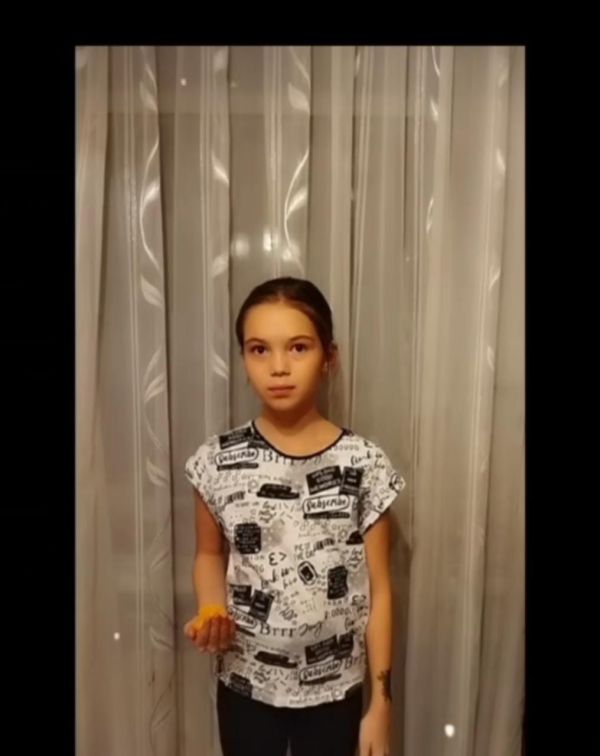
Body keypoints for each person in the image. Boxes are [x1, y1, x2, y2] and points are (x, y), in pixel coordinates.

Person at [184, 276, 405, 756]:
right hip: (245, 684)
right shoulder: (216, 461)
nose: (278, 367)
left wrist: (381, 706)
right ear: (243, 358)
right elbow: (208, 554)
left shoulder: (364, 464)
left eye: (298, 347)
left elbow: (380, 589)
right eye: (259, 349)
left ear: (329, 357)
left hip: (335, 689)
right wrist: (211, 607)